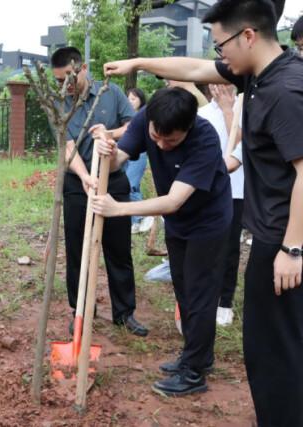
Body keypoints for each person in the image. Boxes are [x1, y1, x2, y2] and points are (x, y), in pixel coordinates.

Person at [103, 1, 303, 424]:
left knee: (276, 349)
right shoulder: (257, 74)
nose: (219, 56)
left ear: (248, 35)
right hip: (268, 232)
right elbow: (192, 69)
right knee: (264, 346)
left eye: (221, 44)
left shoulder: (285, 89)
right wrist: (138, 61)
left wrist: (293, 247)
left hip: (281, 239)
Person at [91, 87, 232, 397]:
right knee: (183, 287)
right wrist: (109, 150)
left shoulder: (205, 140)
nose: (161, 145)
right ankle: (199, 355)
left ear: (189, 128)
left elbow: (173, 201)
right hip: (179, 223)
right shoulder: (147, 119)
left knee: (200, 293)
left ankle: (194, 372)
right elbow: (118, 162)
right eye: (156, 137)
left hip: (208, 221)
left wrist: (119, 209)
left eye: (172, 141)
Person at [50, 47, 148, 337]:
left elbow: (133, 126)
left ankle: (125, 312)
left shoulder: (111, 93)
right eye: (58, 81)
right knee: (77, 249)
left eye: (67, 78)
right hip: (77, 184)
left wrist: (109, 134)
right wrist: (83, 176)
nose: (64, 86)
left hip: (113, 179)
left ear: (82, 68)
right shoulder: (59, 103)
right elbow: (67, 146)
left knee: (118, 247)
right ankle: (80, 310)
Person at [197, 84, 243, 327]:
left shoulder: (244, 108)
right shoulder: (202, 114)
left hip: (235, 190)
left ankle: (225, 301)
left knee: (229, 249)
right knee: (207, 247)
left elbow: (238, 145)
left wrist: (229, 109)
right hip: (206, 189)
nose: (220, 87)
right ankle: (206, 297)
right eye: (215, 82)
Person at [124, 88, 154, 234]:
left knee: (131, 185)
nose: (130, 102)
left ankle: (140, 218)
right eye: (128, 99)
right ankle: (136, 220)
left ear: (141, 100)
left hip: (140, 154)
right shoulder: (126, 116)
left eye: (134, 99)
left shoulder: (144, 116)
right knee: (132, 186)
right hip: (125, 154)